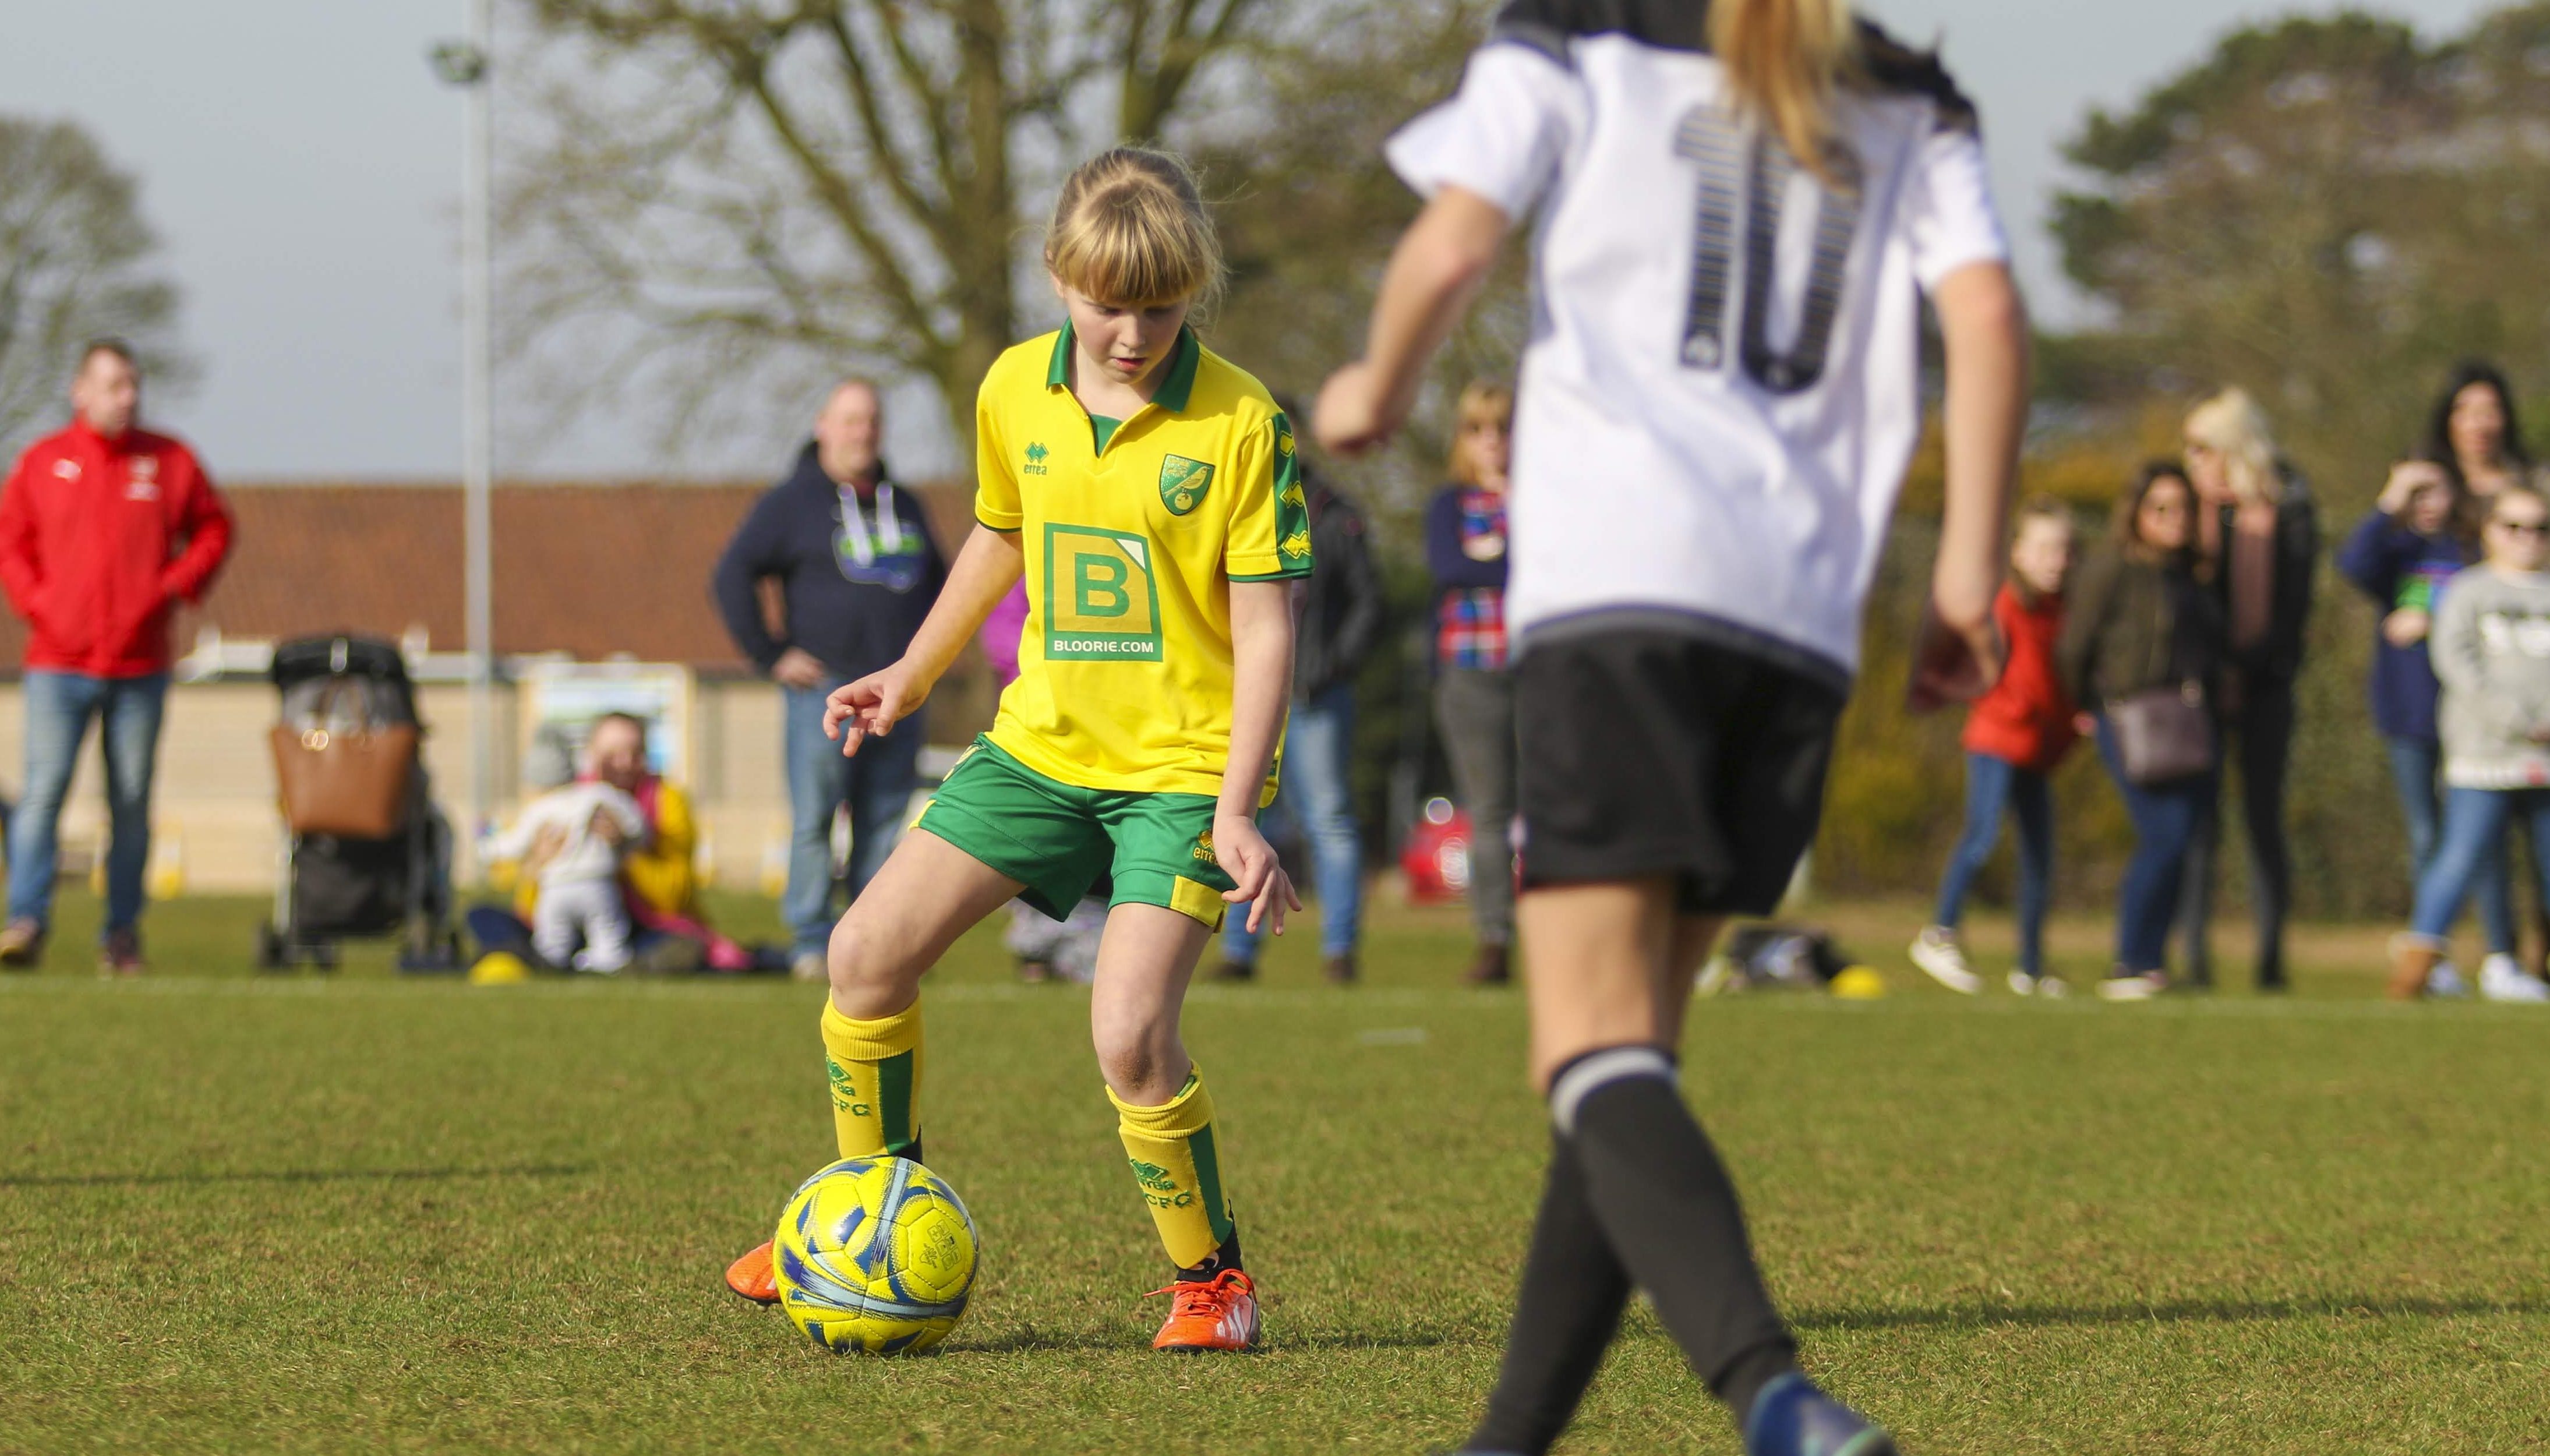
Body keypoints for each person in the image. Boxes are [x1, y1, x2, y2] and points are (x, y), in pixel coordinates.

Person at [1315, 0, 2026, 1448]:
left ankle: (1771, 1394)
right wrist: (1963, 578)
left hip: (1620, 589)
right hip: (1797, 622)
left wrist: (1371, 387)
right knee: (1628, 1054)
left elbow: (1454, 243)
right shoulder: (1903, 88)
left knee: (1584, 1052)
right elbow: (1989, 313)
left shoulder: (1578, 32)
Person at [722, 147, 1311, 1355]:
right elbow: (999, 535)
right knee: (865, 952)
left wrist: (1241, 803)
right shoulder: (1010, 390)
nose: (1135, 331)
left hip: (1182, 773)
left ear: (1191, 288)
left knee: (1128, 1032)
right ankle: (863, 1216)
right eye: (1109, 304)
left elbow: (1264, 628)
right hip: (1039, 750)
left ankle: (1215, 1283)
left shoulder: (1243, 418)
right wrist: (911, 672)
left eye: (1160, 305)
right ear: (1059, 280)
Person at [0, 340, 234, 974]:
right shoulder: (44, 462)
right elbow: (10, 540)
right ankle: (24, 921)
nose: (127, 396)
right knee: (42, 795)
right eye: (114, 385)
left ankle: (121, 934)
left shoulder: (170, 461)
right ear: (81, 391)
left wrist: (173, 587)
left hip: (139, 667)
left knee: (129, 802)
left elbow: (214, 528)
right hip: (58, 662)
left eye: (133, 384)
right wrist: (40, 602)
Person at [712, 379, 948, 981]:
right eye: (849, 421)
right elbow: (732, 574)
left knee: (883, 818)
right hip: (825, 686)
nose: (861, 433)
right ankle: (812, 940)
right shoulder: (790, 503)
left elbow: (945, 586)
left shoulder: (906, 504)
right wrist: (771, 654)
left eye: (870, 421)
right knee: (817, 815)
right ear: (822, 426)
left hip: (898, 689)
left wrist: (929, 662)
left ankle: (872, 938)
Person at [1213, 408, 1384, 985]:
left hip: (1315, 696)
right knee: (1241, 816)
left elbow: (1368, 601)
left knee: (1328, 819)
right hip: (1241, 697)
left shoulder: (1335, 512)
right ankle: (1238, 952)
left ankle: (1340, 951)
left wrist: (1333, 665)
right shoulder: (1223, 500)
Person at [2337, 457, 2510, 995]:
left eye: (2438, 491)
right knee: (2426, 835)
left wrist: (2432, 617)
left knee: (2481, 838)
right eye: (2420, 493)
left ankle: (2501, 956)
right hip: (2409, 713)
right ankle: (2435, 960)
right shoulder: (2399, 550)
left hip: (2474, 718)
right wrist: (2392, 500)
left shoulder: (2470, 551)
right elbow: (2351, 563)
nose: (2430, 503)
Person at [2057, 464, 2226, 1001]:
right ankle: (2129, 959)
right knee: (2163, 835)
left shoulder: (2190, 576)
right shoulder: (2112, 569)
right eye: (2161, 509)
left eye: (2182, 509)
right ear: (2136, 513)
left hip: (2187, 721)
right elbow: (2073, 646)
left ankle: (2151, 961)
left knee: (2183, 840)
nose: (2173, 520)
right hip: (2128, 719)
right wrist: (2085, 704)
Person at [1910, 497, 2080, 997]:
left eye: (2064, 550)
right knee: (1982, 837)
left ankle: (2029, 966)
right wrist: (2062, 716)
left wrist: (2069, 723)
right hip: (1996, 742)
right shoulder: (2006, 604)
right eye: (2045, 548)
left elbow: (2058, 684)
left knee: (2039, 856)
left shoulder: (2059, 612)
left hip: (2035, 748)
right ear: (2020, 553)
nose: (2056, 560)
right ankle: (1939, 933)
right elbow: (2024, 683)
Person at [2177, 388, 2316, 991]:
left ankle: (2270, 959)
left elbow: (2295, 604)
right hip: (2198, 691)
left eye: (2202, 446)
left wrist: (2251, 664)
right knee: (2196, 827)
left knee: (2263, 821)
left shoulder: (2287, 505)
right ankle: (2193, 960)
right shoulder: (2186, 509)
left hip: (2267, 686)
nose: (2193, 458)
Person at [2390, 481, 2550, 1002]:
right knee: (2459, 859)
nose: (2528, 538)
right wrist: (2515, 719)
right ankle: (2418, 967)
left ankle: (2524, 969)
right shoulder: (2468, 591)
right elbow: (2458, 664)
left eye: (2540, 527)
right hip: (2484, 755)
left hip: (2547, 758)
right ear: (2488, 531)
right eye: (2513, 526)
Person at [1426, 381, 1521, 986]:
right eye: (1478, 429)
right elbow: (1449, 566)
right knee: (1489, 812)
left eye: (1502, 428)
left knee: (1563, 811)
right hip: (1468, 672)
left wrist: (1492, 555)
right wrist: (1512, 556)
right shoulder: (1448, 503)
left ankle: (1574, 943)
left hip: (1546, 670)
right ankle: (1494, 939)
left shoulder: (1552, 497)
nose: (1491, 442)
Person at [481, 758, 647, 973]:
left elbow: (514, 844)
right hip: (598, 882)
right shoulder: (599, 795)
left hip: (556, 887)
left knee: (552, 936)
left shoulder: (540, 808)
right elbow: (636, 823)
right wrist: (629, 838)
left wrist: (486, 848)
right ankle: (608, 960)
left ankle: (552, 961)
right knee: (607, 931)